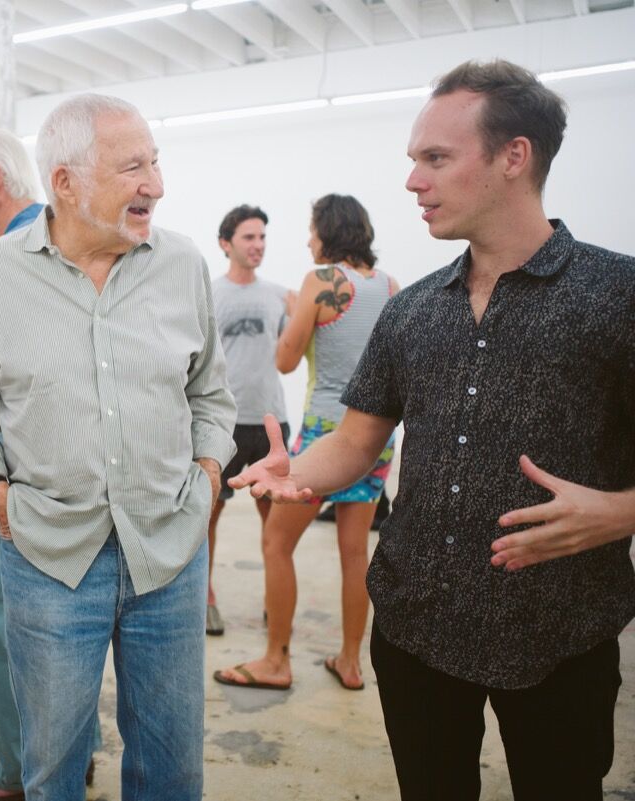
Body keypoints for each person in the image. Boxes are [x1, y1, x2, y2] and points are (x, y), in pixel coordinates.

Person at [230, 60, 635, 800]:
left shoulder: (616, 297)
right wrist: (297, 471)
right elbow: (355, 441)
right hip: (416, 631)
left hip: (558, 635)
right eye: (414, 160)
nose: (414, 181)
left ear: (515, 156)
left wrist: (620, 510)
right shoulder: (413, 309)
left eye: (436, 158)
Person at [0, 95, 237, 801]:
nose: (156, 185)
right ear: (65, 183)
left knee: (172, 766)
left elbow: (212, 394)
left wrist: (206, 476)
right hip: (47, 557)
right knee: (52, 768)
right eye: (133, 167)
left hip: (167, 550)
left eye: (155, 163)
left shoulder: (183, 264)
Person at [0, 129, 101, 801]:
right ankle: (67, 753)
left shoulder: (2, 263)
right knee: (63, 625)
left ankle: (17, 771)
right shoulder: (82, 251)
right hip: (64, 477)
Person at [215, 194, 397, 692]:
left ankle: (276, 659)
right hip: (378, 436)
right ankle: (352, 662)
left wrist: (298, 312)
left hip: (328, 437)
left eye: (313, 229)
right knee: (355, 551)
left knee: (276, 541)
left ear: (330, 231)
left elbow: (285, 361)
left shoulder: (320, 282)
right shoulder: (389, 287)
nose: (308, 239)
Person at [205, 204, 293, 636]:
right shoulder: (210, 294)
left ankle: (271, 601)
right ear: (226, 244)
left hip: (271, 425)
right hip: (223, 425)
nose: (257, 245)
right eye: (248, 238)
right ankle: (205, 599)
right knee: (207, 519)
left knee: (275, 525)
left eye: (262, 237)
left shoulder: (280, 295)